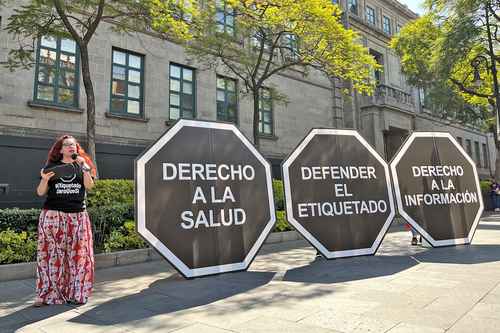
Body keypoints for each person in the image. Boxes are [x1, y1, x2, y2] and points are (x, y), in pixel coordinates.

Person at [34, 135, 96, 306]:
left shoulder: (82, 165)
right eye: (67, 145)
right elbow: (40, 192)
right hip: (53, 215)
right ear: (60, 149)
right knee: (51, 257)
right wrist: (45, 180)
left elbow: (90, 187)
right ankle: (47, 294)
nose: (71, 147)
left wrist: (85, 168)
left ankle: (77, 293)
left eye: (74, 145)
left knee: (78, 256)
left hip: (77, 215)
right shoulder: (52, 167)